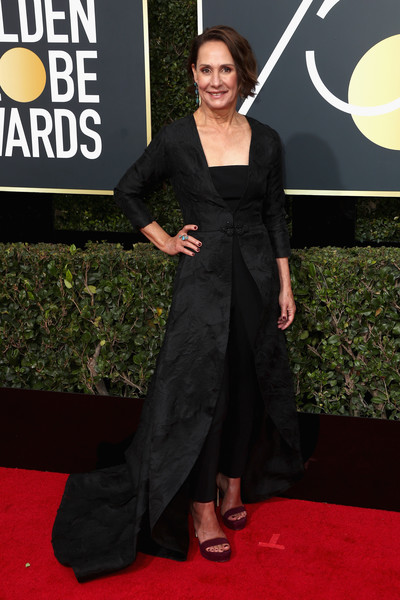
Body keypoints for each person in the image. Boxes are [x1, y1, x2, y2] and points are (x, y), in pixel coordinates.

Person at [52, 25, 303, 581]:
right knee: (204, 394)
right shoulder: (176, 138)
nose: (216, 80)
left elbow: (275, 216)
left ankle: (232, 482)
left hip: (257, 280)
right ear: (193, 74)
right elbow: (127, 189)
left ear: (242, 74)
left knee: (247, 384)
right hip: (203, 286)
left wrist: (285, 285)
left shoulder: (265, 140)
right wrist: (164, 240)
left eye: (226, 69)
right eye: (205, 69)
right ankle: (201, 505)